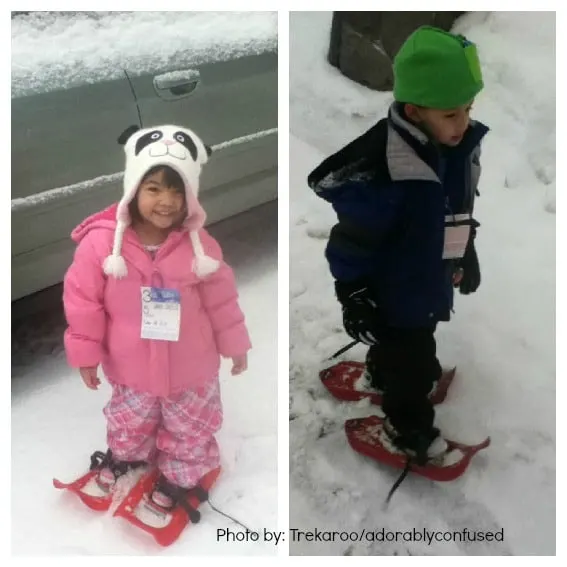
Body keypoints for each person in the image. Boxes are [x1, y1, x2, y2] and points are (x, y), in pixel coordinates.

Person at [308, 26, 489, 466]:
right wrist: (353, 293)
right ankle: (407, 430)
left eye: (467, 109)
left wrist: (466, 250)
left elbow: (455, 209)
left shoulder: (455, 148)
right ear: (414, 110)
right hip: (394, 292)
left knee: (412, 346)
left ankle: (392, 371)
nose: (462, 123)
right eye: (450, 114)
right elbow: (353, 238)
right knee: (407, 350)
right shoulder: (389, 170)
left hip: (428, 280)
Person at [63, 124, 251, 511]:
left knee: (189, 425)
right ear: (133, 190)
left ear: (191, 196)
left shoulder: (200, 248)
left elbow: (222, 301)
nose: (166, 201)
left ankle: (183, 472)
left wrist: (235, 345)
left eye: (177, 190)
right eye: (153, 188)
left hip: (191, 367)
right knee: (129, 418)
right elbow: (84, 302)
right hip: (131, 365)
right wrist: (86, 353)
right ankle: (128, 455)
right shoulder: (101, 245)